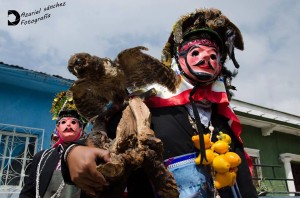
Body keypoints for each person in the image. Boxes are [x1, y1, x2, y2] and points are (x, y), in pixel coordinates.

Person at [61, 8, 258, 198]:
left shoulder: (224, 120)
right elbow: (98, 142)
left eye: (214, 55)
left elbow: (244, 184)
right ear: (178, 58)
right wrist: (72, 154)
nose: (207, 56)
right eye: (196, 51)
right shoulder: (146, 107)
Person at [19, 91, 110, 198]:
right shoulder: (41, 157)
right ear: (57, 129)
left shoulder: (93, 153)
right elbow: (28, 192)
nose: (68, 125)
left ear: (81, 129)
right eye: (63, 122)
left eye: (73, 122)